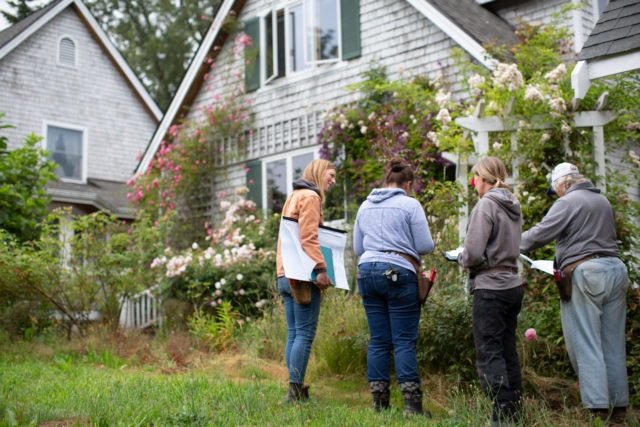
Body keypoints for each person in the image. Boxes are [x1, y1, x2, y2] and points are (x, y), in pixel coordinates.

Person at [520, 162, 629, 421]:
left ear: (564, 184)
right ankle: (619, 411)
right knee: (612, 343)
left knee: (586, 342)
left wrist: (507, 242)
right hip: (615, 270)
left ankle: (598, 410)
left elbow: (538, 236)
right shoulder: (602, 201)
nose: (556, 195)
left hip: (587, 273)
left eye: (555, 190)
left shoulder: (568, 202)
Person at [353, 158, 434, 415]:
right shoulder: (410, 204)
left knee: (378, 340)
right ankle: (412, 405)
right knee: (403, 340)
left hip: (367, 272)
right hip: (398, 273)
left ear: (386, 180)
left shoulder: (364, 206)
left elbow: (358, 248)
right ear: (407, 184)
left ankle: (380, 403)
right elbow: (425, 246)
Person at [457, 156, 524, 426]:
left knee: (489, 352)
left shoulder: (486, 205)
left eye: (475, 178)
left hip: (490, 287)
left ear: (483, 179)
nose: (474, 184)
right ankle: (515, 409)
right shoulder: (513, 204)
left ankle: (501, 414)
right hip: (512, 284)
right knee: (508, 350)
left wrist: (461, 258)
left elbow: (473, 253)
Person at [275, 159, 337, 402]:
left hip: (285, 273)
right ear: (319, 173)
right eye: (330, 175)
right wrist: (321, 269)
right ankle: (295, 391)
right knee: (304, 334)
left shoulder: (294, 196)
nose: (332, 181)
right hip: (302, 276)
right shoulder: (311, 197)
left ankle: (295, 388)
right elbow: (309, 237)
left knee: (294, 333)